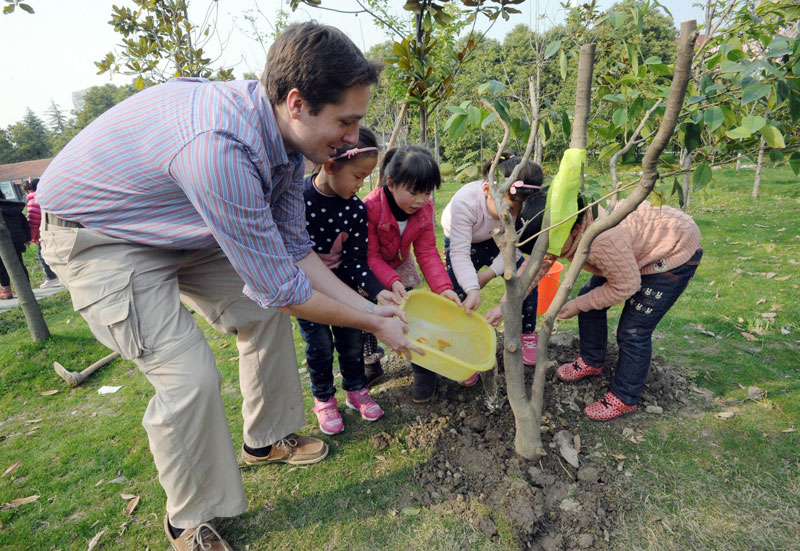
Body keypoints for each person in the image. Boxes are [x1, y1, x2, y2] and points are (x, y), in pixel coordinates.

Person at [37, 22, 420, 551]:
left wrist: (372, 307)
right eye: (346, 121)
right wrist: (373, 322)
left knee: (258, 314)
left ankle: (266, 440)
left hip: (174, 219)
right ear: (296, 103)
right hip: (98, 236)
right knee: (188, 376)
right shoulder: (221, 150)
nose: (355, 138)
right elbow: (284, 289)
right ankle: (188, 521)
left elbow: (292, 250)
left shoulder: (287, 146)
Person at [489, 199, 702, 421]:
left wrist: (578, 305)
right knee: (588, 302)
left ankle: (625, 397)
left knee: (633, 332)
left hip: (671, 252)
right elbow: (536, 265)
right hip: (631, 251)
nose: (548, 252)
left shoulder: (602, 241)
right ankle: (592, 361)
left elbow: (627, 285)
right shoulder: (560, 229)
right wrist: (506, 305)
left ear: (577, 230)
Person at [299, 126, 402, 435]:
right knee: (318, 346)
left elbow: (357, 262)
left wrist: (379, 292)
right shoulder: (299, 198)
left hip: (345, 286)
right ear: (330, 165)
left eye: (366, 178)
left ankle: (356, 390)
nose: (361, 185)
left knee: (352, 340)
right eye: (357, 176)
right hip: (308, 290)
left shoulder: (355, 209)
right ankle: (324, 399)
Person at [363, 145, 462, 403]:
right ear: (391, 183)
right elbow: (370, 255)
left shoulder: (425, 211)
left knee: (409, 319)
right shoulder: (370, 207)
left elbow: (428, 252)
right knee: (365, 318)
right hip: (368, 268)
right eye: (414, 192)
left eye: (427, 192)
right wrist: (390, 281)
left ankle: (423, 370)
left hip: (399, 263)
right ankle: (370, 361)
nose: (420, 200)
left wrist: (443, 288)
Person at [441, 152, 544, 366]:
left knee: (527, 281)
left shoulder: (520, 206)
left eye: (517, 212)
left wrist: (489, 274)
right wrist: (472, 287)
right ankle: (461, 343)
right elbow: (459, 253)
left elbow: (516, 249)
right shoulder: (465, 203)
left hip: (497, 237)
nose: (511, 216)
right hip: (464, 241)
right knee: (456, 291)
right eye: (508, 208)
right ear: (488, 190)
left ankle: (527, 335)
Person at [23, 178, 61, 289]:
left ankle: (51, 278)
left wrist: (31, 237)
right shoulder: (48, 197)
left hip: (42, 233)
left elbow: (33, 221)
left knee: (42, 255)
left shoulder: (32, 201)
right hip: (55, 229)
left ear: (29, 190)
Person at [0, 188, 31, 299]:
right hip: (17, 239)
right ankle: (26, 288)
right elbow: (24, 222)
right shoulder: (12, 207)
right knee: (19, 263)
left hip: (2, 241)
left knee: (2, 266)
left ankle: (6, 290)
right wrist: (27, 238)